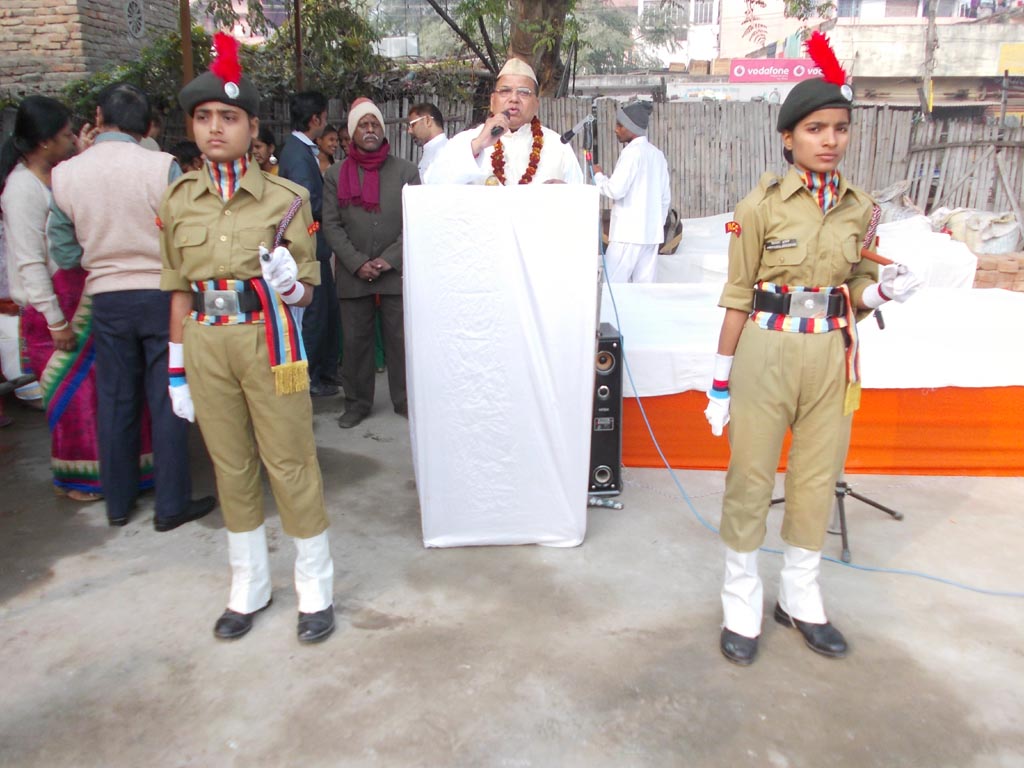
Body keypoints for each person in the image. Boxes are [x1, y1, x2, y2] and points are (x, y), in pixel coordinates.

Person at [705, 32, 923, 667]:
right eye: (815, 128)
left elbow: (854, 287)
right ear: (788, 137)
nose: (830, 140)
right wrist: (719, 381)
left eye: (840, 128)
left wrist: (882, 290)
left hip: (832, 356)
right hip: (766, 354)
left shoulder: (862, 209)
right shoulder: (756, 208)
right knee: (751, 477)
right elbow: (737, 297)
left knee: (816, 478)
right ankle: (741, 600)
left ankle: (800, 598)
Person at [161, 33, 336, 644]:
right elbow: (177, 288)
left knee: (290, 462)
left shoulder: (288, 199)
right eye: (204, 116)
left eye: (229, 117)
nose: (215, 127)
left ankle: (314, 586)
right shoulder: (179, 200)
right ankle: (249, 585)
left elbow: (307, 293)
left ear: (252, 126)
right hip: (206, 343)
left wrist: (289, 285)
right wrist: (176, 369)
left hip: (269, 343)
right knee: (230, 465)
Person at [47, 82, 215, 530]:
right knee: (168, 397)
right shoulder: (162, 167)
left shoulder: (66, 174)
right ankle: (171, 505)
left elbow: (64, 253)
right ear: (146, 125)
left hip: (106, 298)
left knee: (116, 399)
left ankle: (118, 504)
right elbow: (187, 236)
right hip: (163, 295)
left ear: (99, 117)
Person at [2, 95, 139, 498]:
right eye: (65, 135)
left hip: (78, 297)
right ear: (44, 141)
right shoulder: (21, 190)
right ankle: (77, 480)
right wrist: (56, 321)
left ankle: (103, 473)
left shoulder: (58, 175)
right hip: (53, 311)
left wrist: (83, 154)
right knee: (72, 398)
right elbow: (30, 262)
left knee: (94, 395)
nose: (71, 141)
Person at [322, 97, 419, 429]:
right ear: (352, 132)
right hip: (353, 273)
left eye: (375, 124)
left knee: (400, 340)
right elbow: (331, 224)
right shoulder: (335, 175)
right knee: (355, 343)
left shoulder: (406, 171)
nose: (370, 130)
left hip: (396, 271)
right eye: (363, 125)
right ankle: (357, 403)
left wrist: (389, 260)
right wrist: (356, 262)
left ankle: (405, 400)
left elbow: (416, 222)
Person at [424, 58, 583, 186]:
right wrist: (477, 145)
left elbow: (579, 202)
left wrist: (566, 194)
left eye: (524, 92)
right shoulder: (468, 141)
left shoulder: (558, 146)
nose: (514, 99)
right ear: (492, 101)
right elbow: (432, 182)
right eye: (505, 91)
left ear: (536, 104)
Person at [278, 91, 340, 397]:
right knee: (314, 315)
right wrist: (335, 210)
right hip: (308, 247)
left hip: (315, 245)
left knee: (326, 311)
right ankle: (309, 378)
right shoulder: (298, 155)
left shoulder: (299, 151)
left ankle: (323, 372)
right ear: (316, 119)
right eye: (325, 117)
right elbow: (307, 202)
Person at [592, 101, 671, 283]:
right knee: (645, 291)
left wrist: (598, 176)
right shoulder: (657, 154)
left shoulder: (631, 153)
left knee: (612, 287)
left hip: (627, 234)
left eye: (620, 125)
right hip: (651, 236)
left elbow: (615, 190)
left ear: (632, 128)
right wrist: (654, 225)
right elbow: (665, 199)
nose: (616, 130)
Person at [406, 103, 447, 178]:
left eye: (413, 125)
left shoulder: (446, 153)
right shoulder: (432, 150)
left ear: (427, 121)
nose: (409, 131)